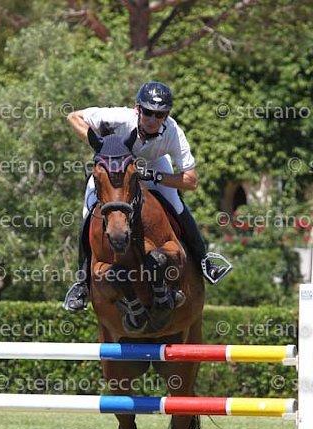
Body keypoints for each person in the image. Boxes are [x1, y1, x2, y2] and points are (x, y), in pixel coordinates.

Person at [64, 81, 231, 311]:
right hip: (113, 169)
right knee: (88, 212)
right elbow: (73, 117)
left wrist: (156, 177)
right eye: (148, 112)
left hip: (153, 167)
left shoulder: (172, 132)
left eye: (160, 115)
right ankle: (82, 283)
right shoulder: (119, 118)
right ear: (137, 109)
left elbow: (191, 180)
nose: (153, 119)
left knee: (177, 205)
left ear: (167, 115)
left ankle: (204, 261)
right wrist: (100, 145)